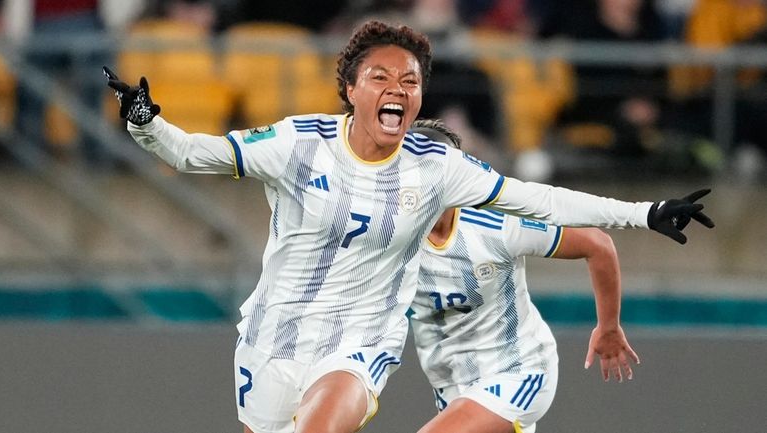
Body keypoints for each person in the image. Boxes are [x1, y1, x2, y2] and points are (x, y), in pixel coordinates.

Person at [103, 20, 713, 433]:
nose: (398, 90)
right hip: (274, 337)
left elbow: (538, 200)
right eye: (381, 78)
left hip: (373, 348)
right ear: (351, 89)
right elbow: (191, 154)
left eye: (411, 81)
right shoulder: (297, 144)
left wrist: (644, 213)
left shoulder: (443, 174)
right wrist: (146, 124)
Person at [408, 118, 638, 433]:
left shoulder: (497, 221)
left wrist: (608, 327)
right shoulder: (388, 235)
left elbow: (598, 245)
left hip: (518, 371)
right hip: (454, 386)